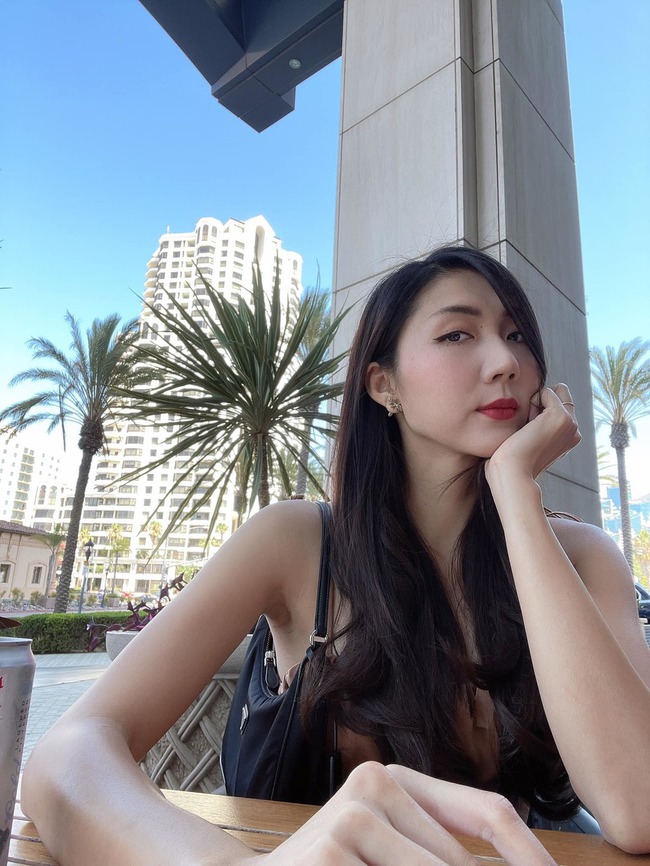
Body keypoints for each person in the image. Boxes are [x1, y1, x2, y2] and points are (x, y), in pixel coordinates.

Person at [22, 246, 650, 864]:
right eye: (457, 335)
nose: (505, 361)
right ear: (384, 385)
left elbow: (639, 809)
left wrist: (516, 493)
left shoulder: (582, 557)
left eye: (517, 337)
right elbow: (67, 756)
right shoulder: (296, 541)